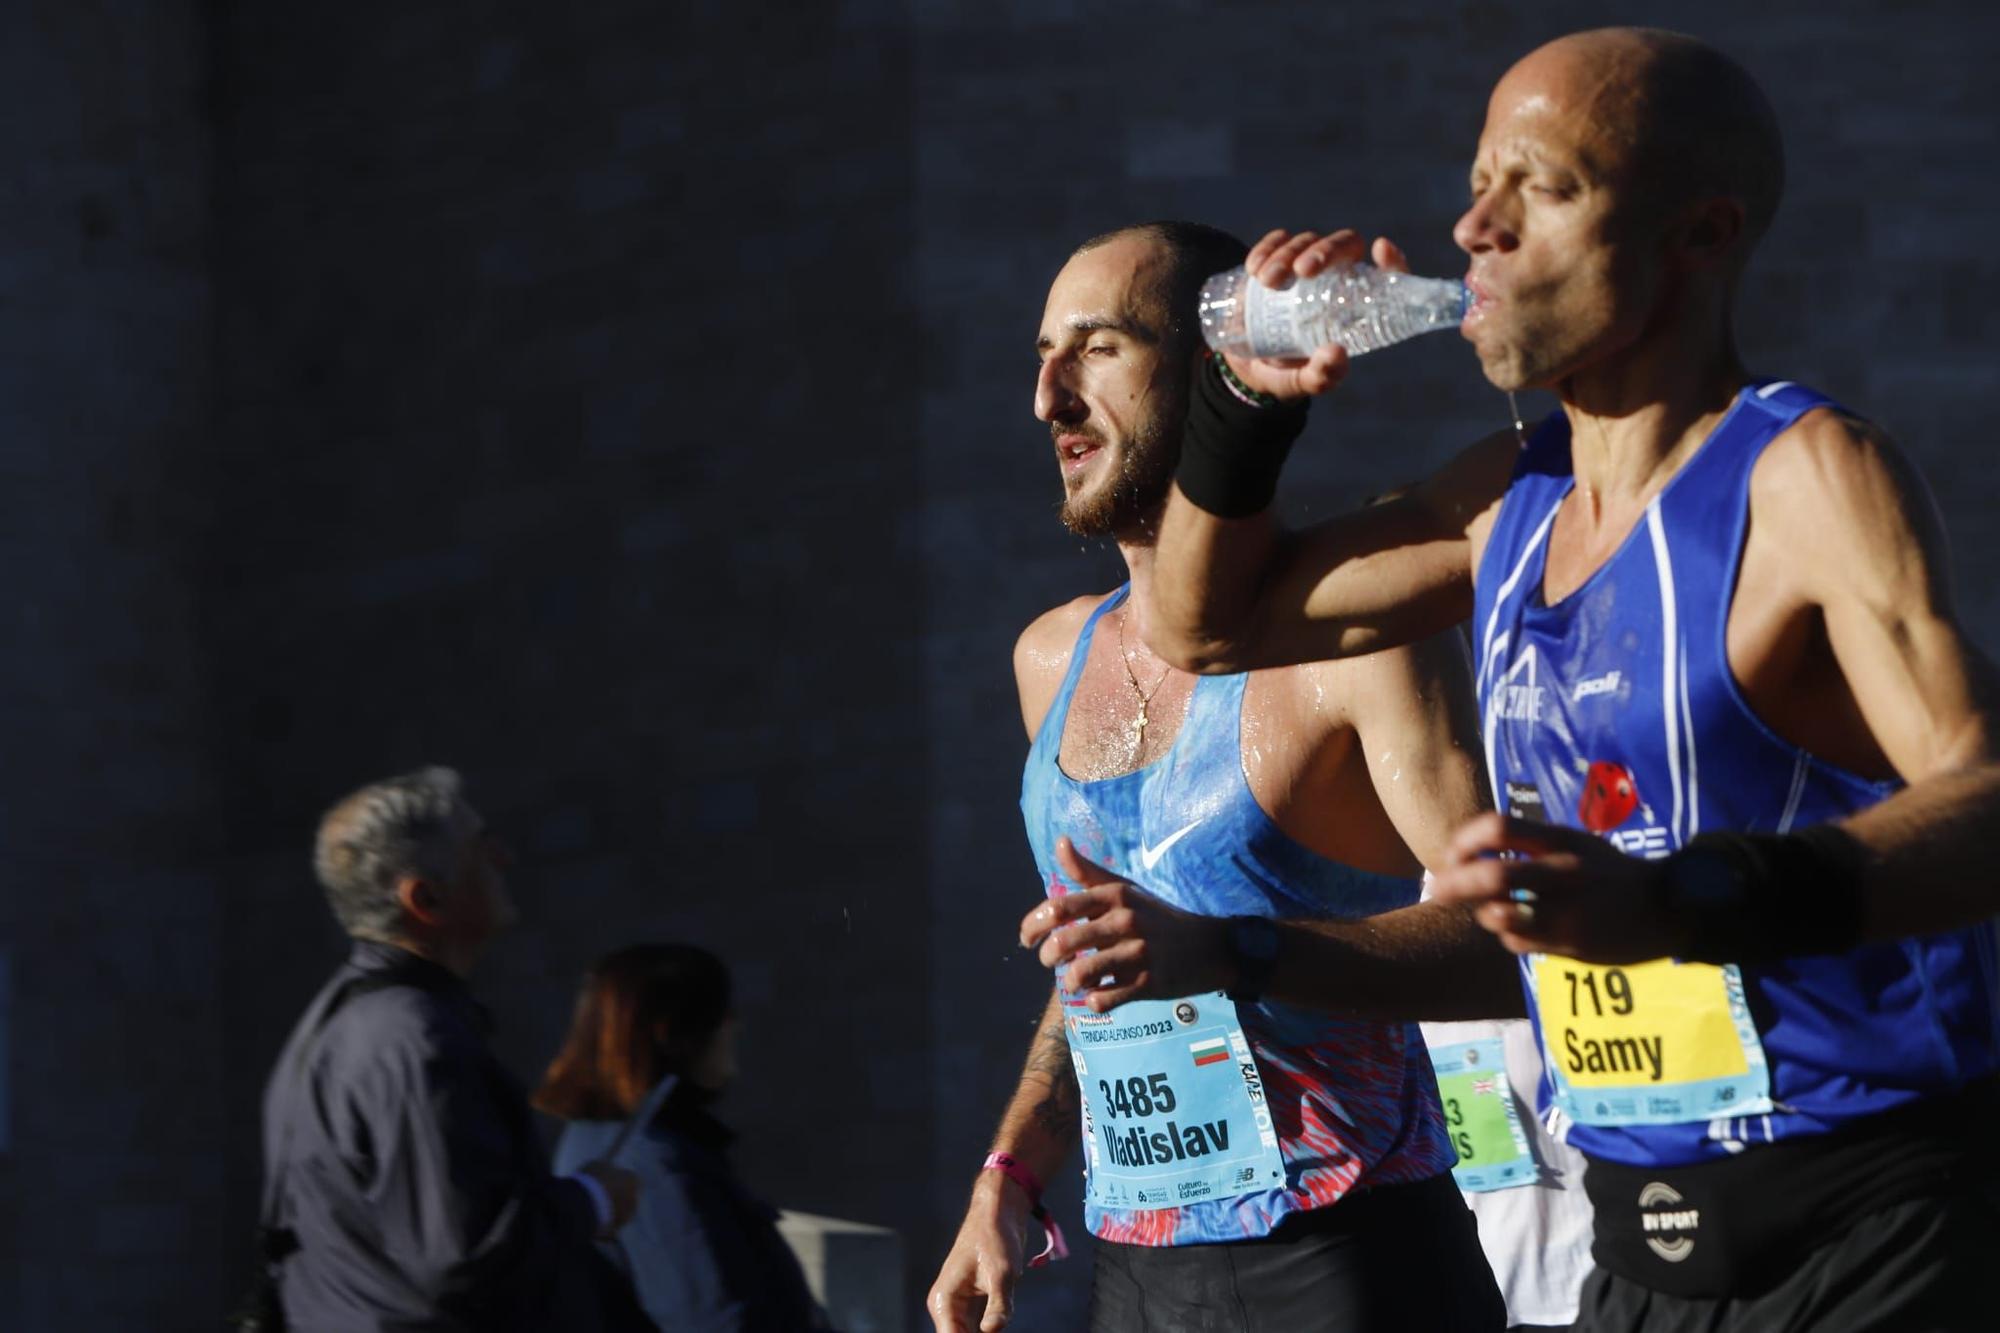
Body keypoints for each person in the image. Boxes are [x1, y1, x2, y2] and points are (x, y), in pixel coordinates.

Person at [1029, 27, 2000, 1331]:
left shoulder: (1808, 478)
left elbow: (1987, 800)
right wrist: (1246, 409)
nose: (1473, 228)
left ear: (1698, 234)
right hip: (1640, 1244)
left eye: (1541, 189)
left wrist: (1677, 897)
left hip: (1878, 1217)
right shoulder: (1504, 505)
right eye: (1478, 184)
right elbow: (1207, 624)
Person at [928, 220, 1516, 1333]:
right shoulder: (1048, 657)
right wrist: (1008, 1173)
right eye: (1041, 357)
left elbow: (1513, 952)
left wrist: (1230, 951)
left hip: (1346, 1256)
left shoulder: (1358, 643)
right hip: (1138, 1267)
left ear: (1216, 369)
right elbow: (1098, 970)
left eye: (1095, 350)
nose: (1046, 398)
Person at [254, 766, 644, 1331]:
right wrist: (594, 1199)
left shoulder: (336, 1024)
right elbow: (467, 1256)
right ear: (426, 899)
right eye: (482, 847)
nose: (504, 858)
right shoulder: (413, 1039)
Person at [536, 943, 830, 1332]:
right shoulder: (648, 1163)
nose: (736, 1026)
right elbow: (713, 1317)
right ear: (677, 1034)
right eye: (725, 1013)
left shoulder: (614, 1144)